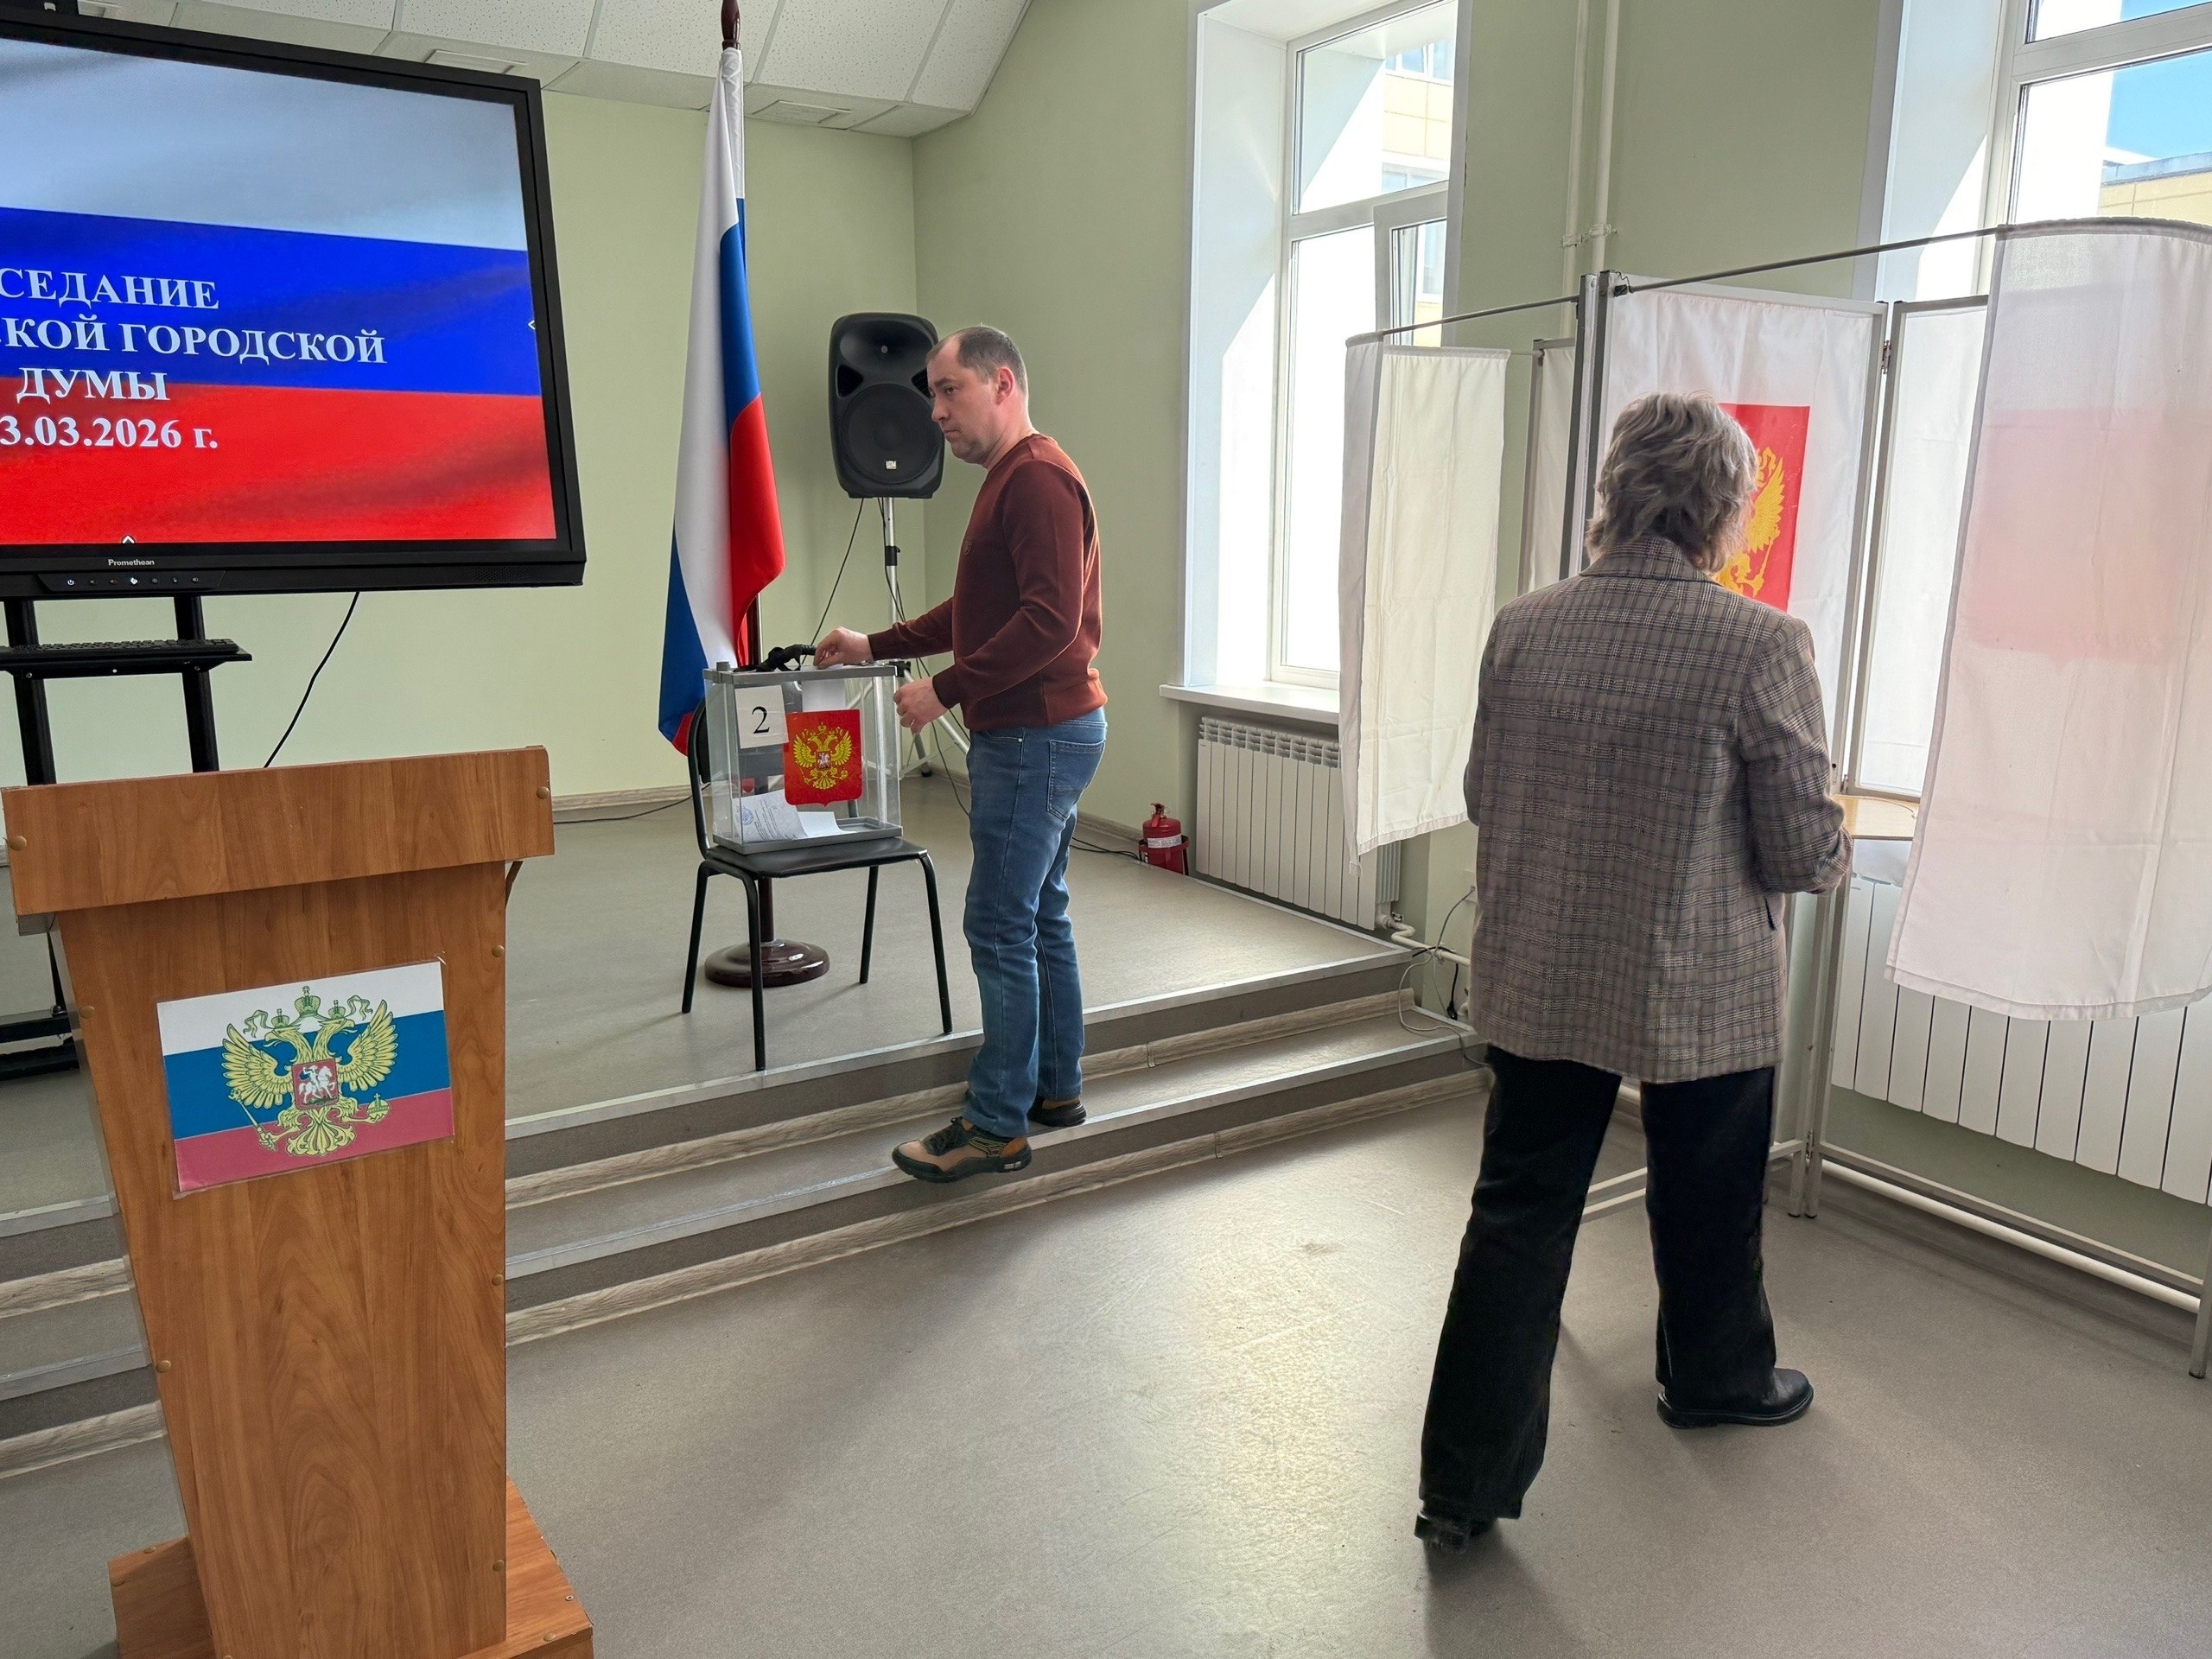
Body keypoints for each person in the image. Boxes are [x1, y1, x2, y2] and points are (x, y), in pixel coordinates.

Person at [1415, 391, 1851, 1552]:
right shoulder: (1761, 643)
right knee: (1709, 1195)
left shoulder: (1525, 625)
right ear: (1725, 510)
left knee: (1518, 1211)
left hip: (1542, 964)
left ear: (1614, 491)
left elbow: (1483, 795)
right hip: (1697, 982)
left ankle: (1461, 1486)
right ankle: (1716, 1379)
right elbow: (1802, 853)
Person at [817, 326, 1107, 1184]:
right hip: (1044, 730)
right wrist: (875, 643)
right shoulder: (1012, 478)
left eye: (950, 391)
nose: (935, 412)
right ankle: (1053, 1087)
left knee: (998, 922)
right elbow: (978, 610)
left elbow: (1049, 621)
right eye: (932, 394)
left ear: (1003, 385)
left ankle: (994, 1125)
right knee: (1038, 913)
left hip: (1033, 736)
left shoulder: (1038, 480)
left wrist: (944, 690)